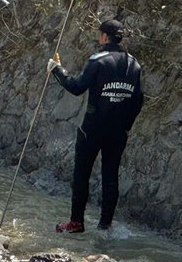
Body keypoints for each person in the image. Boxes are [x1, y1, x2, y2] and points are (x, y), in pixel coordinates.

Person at [48, 18, 144, 233]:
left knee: (81, 175)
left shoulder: (98, 60)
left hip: (92, 129)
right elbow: (138, 100)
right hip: (118, 132)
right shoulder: (134, 64)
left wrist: (57, 69)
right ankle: (104, 225)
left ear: (103, 37)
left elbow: (76, 87)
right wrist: (127, 126)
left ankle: (76, 223)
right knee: (111, 177)